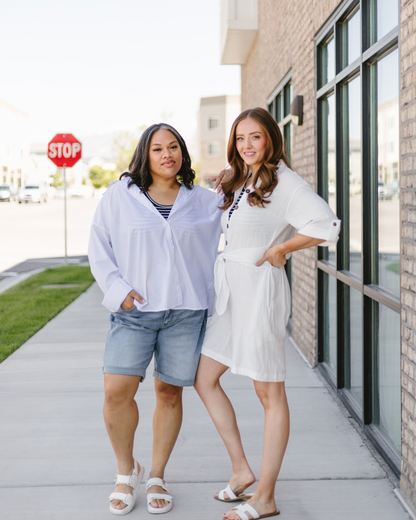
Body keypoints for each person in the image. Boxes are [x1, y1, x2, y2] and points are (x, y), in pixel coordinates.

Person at [194, 107, 341, 520]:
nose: (246, 146)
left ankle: (266, 496)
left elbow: (326, 224)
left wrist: (282, 248)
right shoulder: (242, 179)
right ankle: (242, 470)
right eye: (240, 139)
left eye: (254, 137)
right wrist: (223, 184)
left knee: (269, 393)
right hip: (231, 296)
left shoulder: (286, 182)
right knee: (204, 379)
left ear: (270, 139)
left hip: (259, 290)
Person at [88, 123, 222, 515]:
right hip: (134, 313)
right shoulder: (120, 196)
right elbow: (99, 246)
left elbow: (237, 220)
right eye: (158, 148)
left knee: (169, 393)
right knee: (116, 392)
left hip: (185, 312)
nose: (168, 154)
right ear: (145, 155)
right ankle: (126, 472)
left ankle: (158, 475)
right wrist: (117, 291)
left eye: (174, 147)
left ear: (183, 153)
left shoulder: (204, 201)